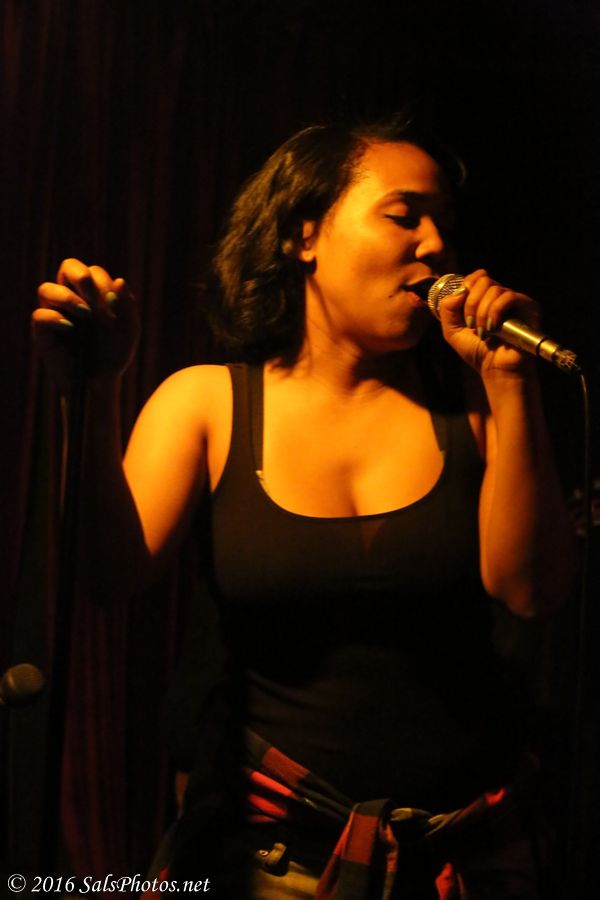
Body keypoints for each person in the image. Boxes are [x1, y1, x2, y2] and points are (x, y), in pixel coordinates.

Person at [33, 116, 577, 899]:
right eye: (404, 215)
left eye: (445, 227)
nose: (435, 245)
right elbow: (109, 574)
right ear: (304, 235)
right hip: (269, 859)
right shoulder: (207, 403)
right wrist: (91, 391)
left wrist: (509, 383)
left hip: (464, 856)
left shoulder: (476, 414)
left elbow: (533, 591)